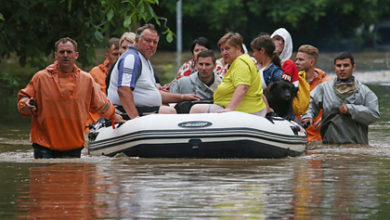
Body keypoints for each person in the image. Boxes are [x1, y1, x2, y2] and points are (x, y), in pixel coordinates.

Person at [17, 37, 124, 159]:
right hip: (44, 146)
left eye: (69, 52)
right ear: (56, 55)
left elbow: (101, 104)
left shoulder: (86, 79)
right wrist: (26, 105)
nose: (65, 55)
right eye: (62, 52)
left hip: (74, 146)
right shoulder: (40, 78)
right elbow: (23, 99)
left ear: (76, 55)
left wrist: (114, 115)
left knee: (72, 178)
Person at [107, 24, 200, 120]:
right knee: (169, 112)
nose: (151, 45)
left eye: (155, 42)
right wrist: (135, 120)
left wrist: (183, 97)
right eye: (147, 41)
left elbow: (153, 93)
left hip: (139, 108)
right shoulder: (131, 58)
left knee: (181, 107)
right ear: (137, 41)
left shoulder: (144, 60)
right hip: (120, 111)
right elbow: (123, 90)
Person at [301, 52, 380, 144]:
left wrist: (350, 109)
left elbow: (374, 114)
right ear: (335, 67)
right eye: (339, 66)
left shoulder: (364, 91)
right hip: (329, 145)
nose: (342, 69)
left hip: (356, 147)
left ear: (353, 67)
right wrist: (307, 116)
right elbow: (310, 102)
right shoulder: (324, 88)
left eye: (346, 65)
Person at [190, 32, 267, 116]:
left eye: (227, 49)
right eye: (222, 50)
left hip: (245, 111)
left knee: (196, 109)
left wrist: (229, 109)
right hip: (244, 108)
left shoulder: (241, 63)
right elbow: (258, 91)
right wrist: (268, 108)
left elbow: (243, 87)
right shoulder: (242, 61)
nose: (224, 53)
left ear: (238, 48)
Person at [295, 45, 332, 142]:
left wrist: (326, 117)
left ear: (312, 62)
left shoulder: (326, 83)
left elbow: (339, 105)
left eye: (301, 60)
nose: (297, 62)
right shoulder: (293, 81)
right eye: (296, 59)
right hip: (297, 136)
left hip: (319, 138)